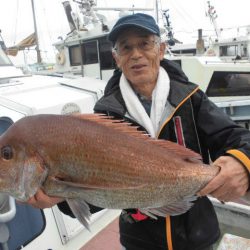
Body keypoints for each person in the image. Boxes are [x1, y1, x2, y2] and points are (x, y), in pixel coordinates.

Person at [27, 13, 250, 250]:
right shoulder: (105, 114)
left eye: (145, 44)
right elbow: (99, 191)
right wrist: (61, 196)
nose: (136, 54)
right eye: (126, 47)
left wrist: (243, 163)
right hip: (140, 241)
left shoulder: (191, 99)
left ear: (161, 50)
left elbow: (238, 138)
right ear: (116, 58)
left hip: (197, 234)